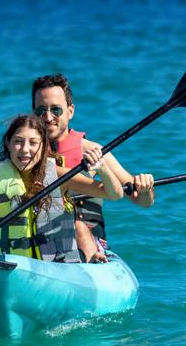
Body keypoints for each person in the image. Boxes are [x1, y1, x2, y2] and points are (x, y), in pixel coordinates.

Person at [0, 114, 124, 264]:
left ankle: (91, 256)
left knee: (80, 227)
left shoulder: (60, 176)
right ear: (8, 144)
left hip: (58, 263)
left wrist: (103, 169)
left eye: (33, 143)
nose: (25, 149)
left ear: (43, 146)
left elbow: (115, 194)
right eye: (18, 142)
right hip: (10, 264)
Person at [31, 73, 155, 250]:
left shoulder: (94, 152)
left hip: (88, 239)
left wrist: (145, 190)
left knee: (79, 227)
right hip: (42, 240)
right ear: (33, 113)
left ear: (70, 111)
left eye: (56, 110)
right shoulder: (24, 154)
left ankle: (93, 256)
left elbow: (142, 201)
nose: (48, 117)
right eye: (41, 110)